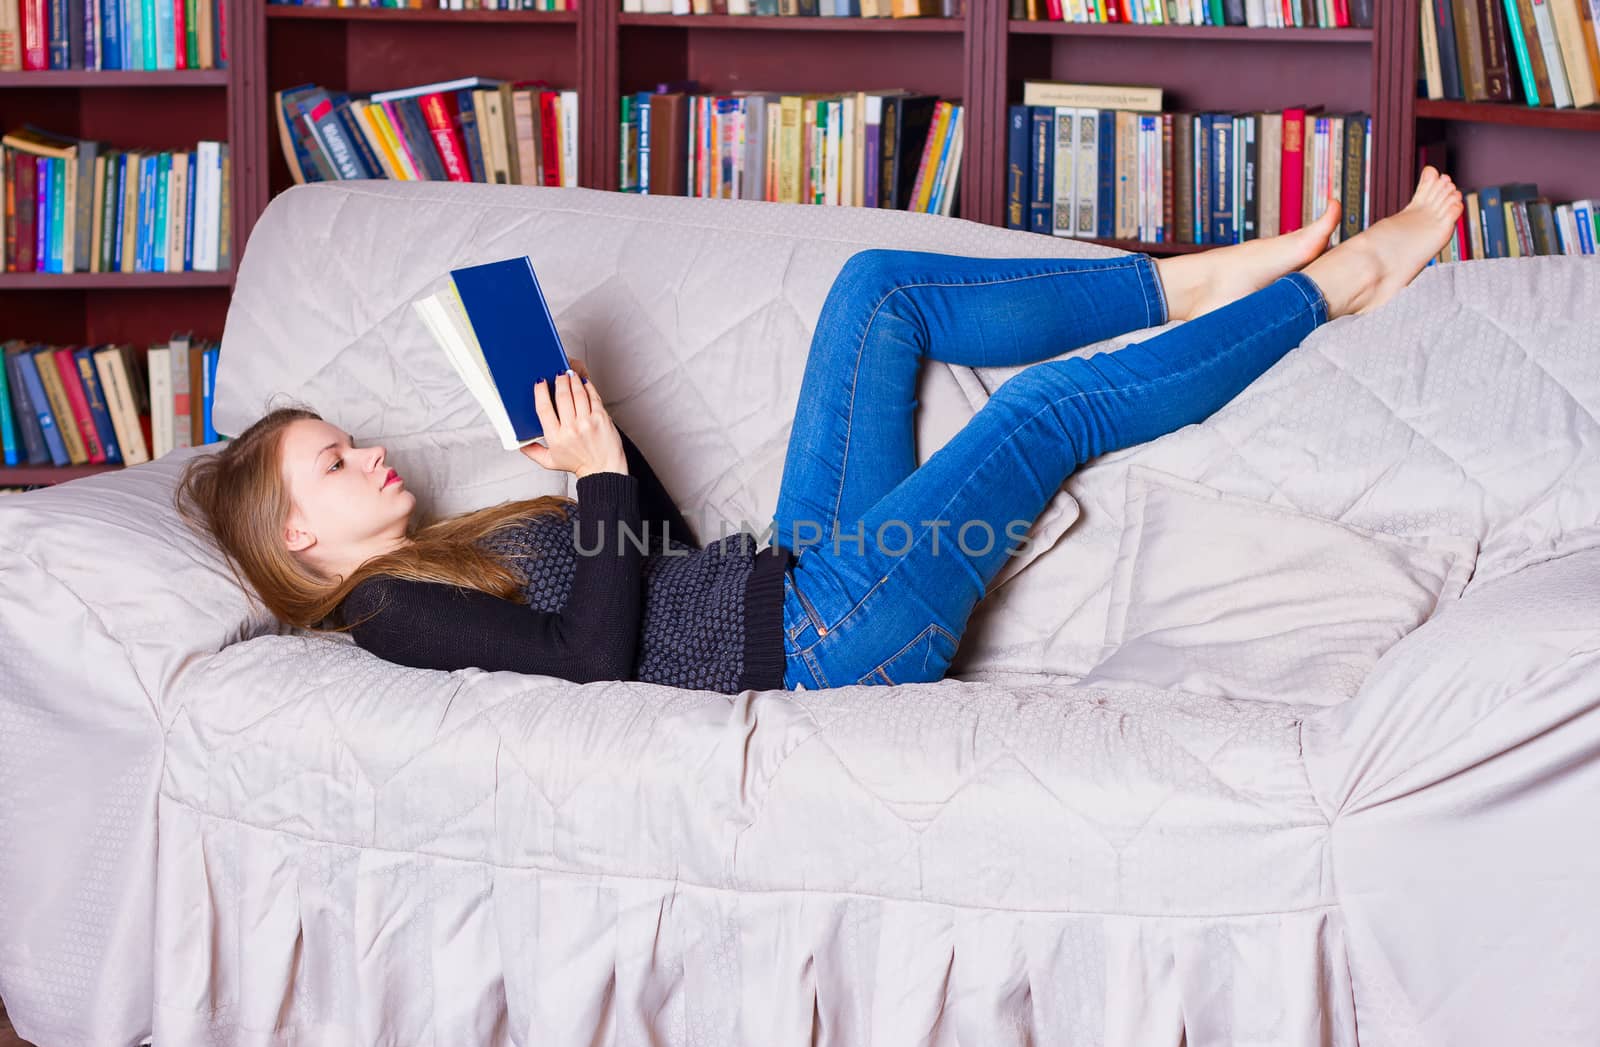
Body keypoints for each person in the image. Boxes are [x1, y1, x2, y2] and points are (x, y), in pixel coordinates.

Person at [176, 167, 1464, 693]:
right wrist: (598, 484)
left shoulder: (444, 551)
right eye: (336, 463)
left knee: (875, 298)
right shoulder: (384, 615)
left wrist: (597, 452)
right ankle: (1337, 285)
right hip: (822, 645)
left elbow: (659, 580)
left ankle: (1182, 280)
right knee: (1047, 407)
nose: (371, 455)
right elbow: (598, 668)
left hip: (792, 576)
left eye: (350, 438)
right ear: (296, 533)